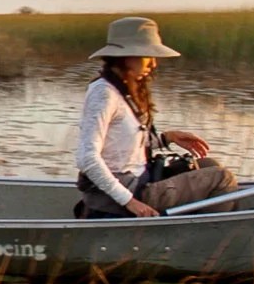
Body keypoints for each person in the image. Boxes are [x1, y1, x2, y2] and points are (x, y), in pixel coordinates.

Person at [74, 16, 237, 218]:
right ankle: (202, 236)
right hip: (128, 193)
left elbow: (122, 146)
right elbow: (86, 158)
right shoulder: (104, 94)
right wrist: (131, 202)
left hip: (141, 180)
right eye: (147, 56)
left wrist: (165, 138)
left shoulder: (123, 89)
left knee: (209, 165)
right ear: (126, 56)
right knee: (222, 178)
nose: (153, 64)